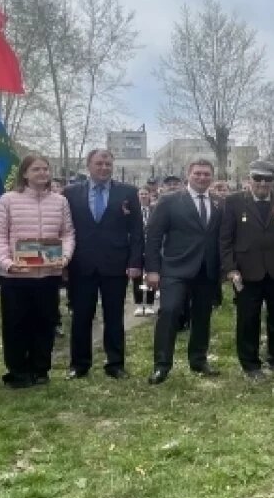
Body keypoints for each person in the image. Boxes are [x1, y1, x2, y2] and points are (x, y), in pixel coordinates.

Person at [0, 154, 75, 388]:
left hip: (47, 275)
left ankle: (40, 369)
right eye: (36, 169)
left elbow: (67, 233)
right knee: (16, 324)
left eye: (45, 169)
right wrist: (7, 263)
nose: (42, 173)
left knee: (45, 323)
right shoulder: (8, 200)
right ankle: (18, 370)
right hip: (15, 276)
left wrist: (65, 257)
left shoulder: (60, 201)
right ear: (25, 173)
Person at [62, 149, 143, 379]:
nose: (104, 168)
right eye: (99, 163)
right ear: (88, 165)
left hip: (115, 264)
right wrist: (64, 261)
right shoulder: (70, 193)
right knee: (81, 316)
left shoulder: (128, 193)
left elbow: (137, 231)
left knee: (114, 316)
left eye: (108, 164)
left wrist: (135, 261)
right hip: (81, 264)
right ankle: (79, 365)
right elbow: (64, 229)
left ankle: (115, 364)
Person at [220, 159, 274, 379]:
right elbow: (225, 239)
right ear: (250, 179)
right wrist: (230, 268)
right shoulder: (233, 202)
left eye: (268, 179)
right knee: (248, 320)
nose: (262, 183)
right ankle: (250, 364)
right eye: (258, 178)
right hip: (246, 272)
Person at [144, 159, 223, 384]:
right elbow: (154, 236)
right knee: (169, 312)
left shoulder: (218, 203)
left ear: (212, 177)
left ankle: (198, 360)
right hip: (175, 267)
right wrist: (152, 269)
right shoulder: (169, 201)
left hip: (206, 269)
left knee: (202, 316)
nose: (202, 177)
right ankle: (161, 365)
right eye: (197, 173)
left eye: (206, 174)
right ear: (189, 175)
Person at [134, 188, 158, 316]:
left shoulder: (155, 210)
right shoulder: (133, 211)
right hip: (137, 248)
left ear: (150, 195)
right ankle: (138, 304)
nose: (143, 196)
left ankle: (149, 304)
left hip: (151, 247)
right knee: (137, 278)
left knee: (151, 276)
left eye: (145, 194)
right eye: (141, 194)